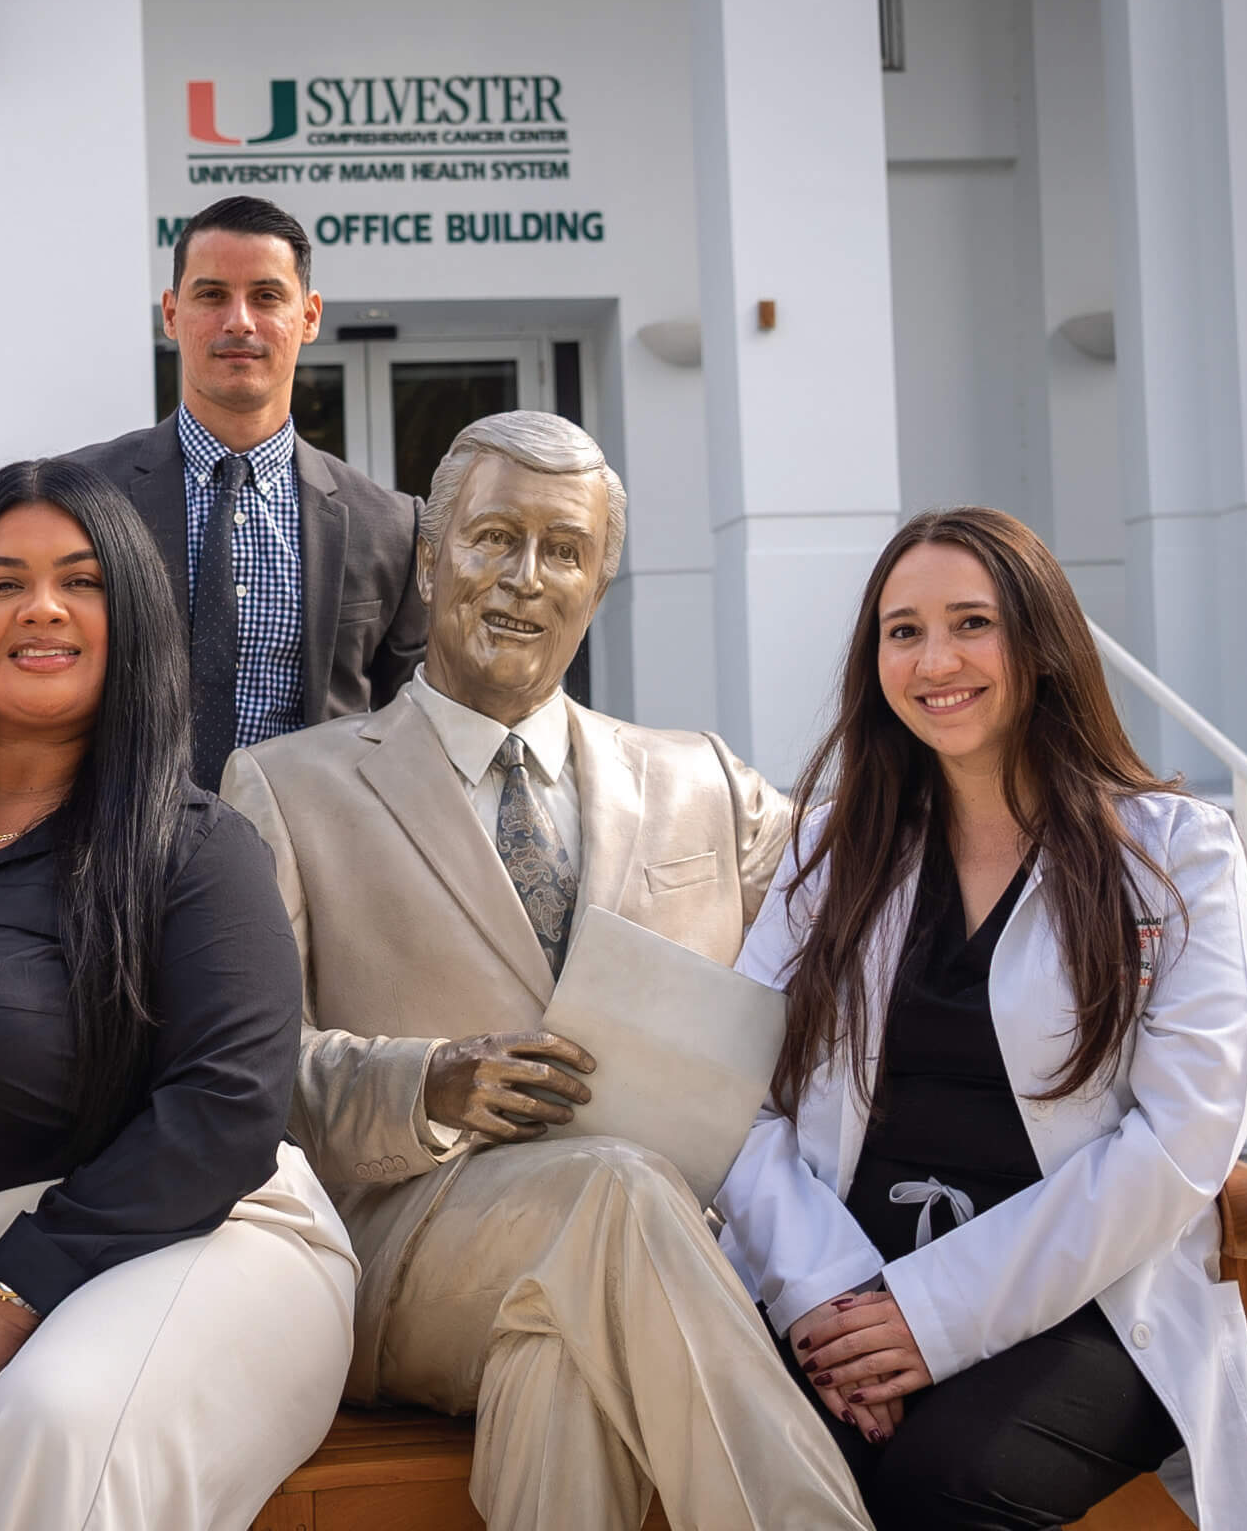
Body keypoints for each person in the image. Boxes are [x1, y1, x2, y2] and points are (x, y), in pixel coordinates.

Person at [222, 411, 870, 1531]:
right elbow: (246, 1073)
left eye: (563, 550)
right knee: (613, 1190)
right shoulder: (286, 789)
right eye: (493, 539)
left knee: (562, 1365)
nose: (525, 578)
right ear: (430, 558)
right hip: (405, 1252)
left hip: (646, 1274)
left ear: (599, 580)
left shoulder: (703, 781)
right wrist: (427, 1082)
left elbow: (882, 893)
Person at [0, 459, 357, 1531]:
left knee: (56, 1423)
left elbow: (227, 1111)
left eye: (80, 581)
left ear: (127, 619)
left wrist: (15, 1288)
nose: (41, 607)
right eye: (2, 582)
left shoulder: (196, 847)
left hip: (199, 1244)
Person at [715, 506, 1247, 1530]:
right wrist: (825, 1300)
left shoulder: (1173, 855)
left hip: (1088, 1299)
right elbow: (733, 1095)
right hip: (845, 1278)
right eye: (904, 630)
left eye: (972, 623)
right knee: (747, 1447)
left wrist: (933, 1319)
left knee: (945, 1481)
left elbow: (1184, 1142)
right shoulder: (834, 851)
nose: (937, 659)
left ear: (1041, 640)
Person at [66, 194, 426, 790]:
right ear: (171, 313)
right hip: (117, 860)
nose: (239, 321)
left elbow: (407, 726)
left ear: (308, 317)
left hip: (308, 864)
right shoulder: (81, 499)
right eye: (211, 295)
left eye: (266, 296)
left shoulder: (390, 528)